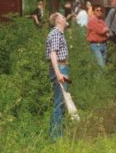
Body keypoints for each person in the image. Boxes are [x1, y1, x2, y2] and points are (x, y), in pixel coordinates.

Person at [45, 12, 69, 140]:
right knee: (59, 103)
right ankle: (55, 137)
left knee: (61, 101)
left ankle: (60, 133)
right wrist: (59, 73)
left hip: (61, 67)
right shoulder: (55, 34)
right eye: (63, 17)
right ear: (58, 21)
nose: (65, 18)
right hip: (59, 68)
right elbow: (53, 54)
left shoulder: (59, 34)